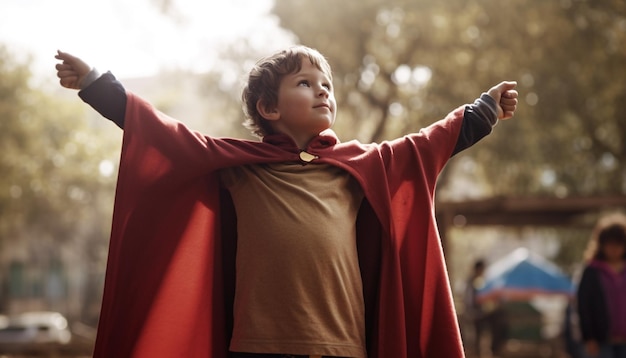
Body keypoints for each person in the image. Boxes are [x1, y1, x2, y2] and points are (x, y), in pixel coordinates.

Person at [55, 46, 518, 358]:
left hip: (342, 346)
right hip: (258, 346)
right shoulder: (240, 165)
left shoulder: (359, 164)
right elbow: (166, 136)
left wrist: (483, 110)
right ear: (268, 109)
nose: (322, 91)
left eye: (327, 86)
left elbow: (425, 146)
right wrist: (97, 84)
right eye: (305, 83)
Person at [577, 213, 626, 358]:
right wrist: (589, 337)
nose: (614, 249)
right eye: (610, 244)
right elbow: (584, 306)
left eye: (618, 244)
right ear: (601, 245)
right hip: (602, 340)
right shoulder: (592, 272)